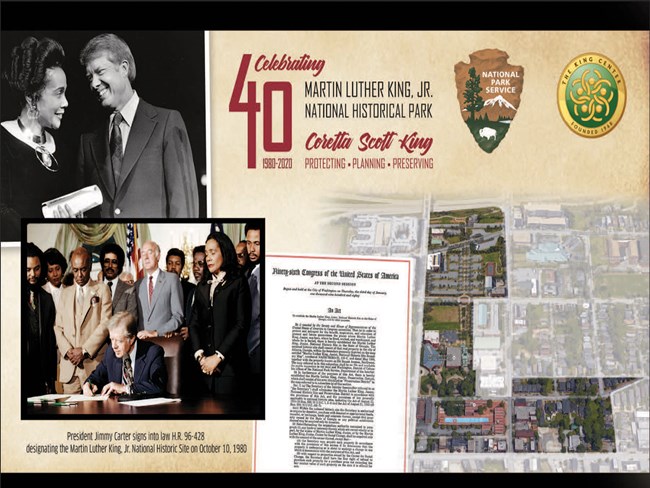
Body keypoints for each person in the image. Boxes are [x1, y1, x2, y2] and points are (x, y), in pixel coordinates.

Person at [78, 33, 199, 218]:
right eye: (89, 77)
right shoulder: (88, 142)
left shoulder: (167, 123)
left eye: (100, 72)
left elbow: (184, 206)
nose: (93, 83)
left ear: (124, 68)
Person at [1, 37, 72, 242]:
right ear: (32, 98)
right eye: (59, 93)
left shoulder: (63, 149)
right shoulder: (3, 142)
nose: (66, 102)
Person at [189, 232, 251, 396]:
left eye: (213, 252)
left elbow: (241, 324)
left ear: (224, 252)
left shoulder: (238, 282)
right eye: (206, 253)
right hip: (203, 371)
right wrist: (200, 357)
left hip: (230, 370)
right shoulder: (201, 286)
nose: (208, 258)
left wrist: (218, 357)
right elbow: (193, 324)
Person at [53, 247, 112, 394]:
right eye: (75, 270)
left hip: (93, 366)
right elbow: (58, 328)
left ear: (90, 267)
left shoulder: (102, 289)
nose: (79, 275)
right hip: (69, 368)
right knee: (70, 413)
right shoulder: (65, 293)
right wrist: (68, 351)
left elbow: (105, 324)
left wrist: (84, 350)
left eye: (83, 269)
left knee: (95, 412)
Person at [83, 311, 167, 397]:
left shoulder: (152, 352)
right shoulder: (110, 352)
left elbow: (158, 385)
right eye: (112, 339)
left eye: (119, 341)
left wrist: (124, 388)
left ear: (132, 339)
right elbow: (96, 376)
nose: (114, 346)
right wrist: (88, 384)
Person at [25, 243, 57, 397]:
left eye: (36, 269)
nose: (33, 274)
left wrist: (50, 379)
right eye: (27, 270)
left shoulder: (47, 299)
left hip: (40, 375)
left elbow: (50, 341)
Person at [135, 240, 184, 338]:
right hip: (142, 344)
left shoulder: (171, 280)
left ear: (158, 256)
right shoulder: (137, 285)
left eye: (150, 252)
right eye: (143, 253)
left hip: (164, 343)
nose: (146, 257)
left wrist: (156, 332)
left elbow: (178, 316)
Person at [99, 242, 137, 317]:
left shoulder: (129, 290)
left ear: (119, 265)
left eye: (114, 262)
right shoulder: (95, 289)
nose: (110, 266)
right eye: (107, 261)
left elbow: (132, 320)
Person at [166, 247, 195, 339]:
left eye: (177, 264)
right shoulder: (158, 288)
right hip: (162, 335)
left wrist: (190, 329)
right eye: (170, 263)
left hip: (183, 337)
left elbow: (196, 315)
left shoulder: (191, 289)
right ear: (166, 265)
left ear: (182, 266)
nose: (173, 267)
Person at [245, 223, 262, 377]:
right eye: (248, 243)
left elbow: (252, 314)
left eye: (257, 243)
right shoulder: (250, 272)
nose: (251, 249)